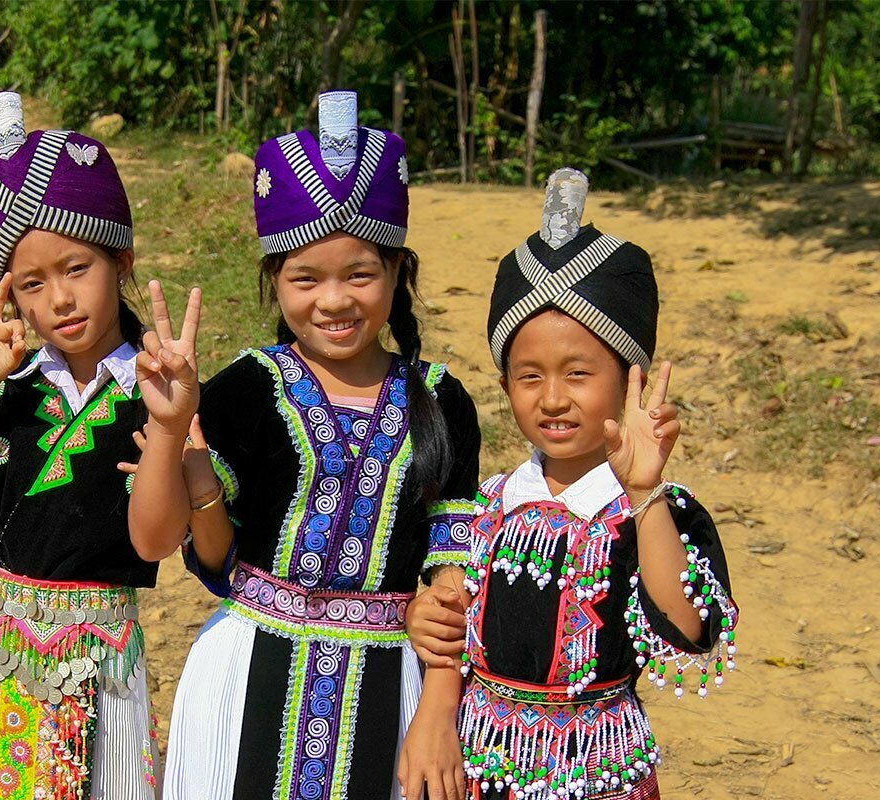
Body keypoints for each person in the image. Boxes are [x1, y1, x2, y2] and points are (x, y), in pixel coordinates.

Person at [152, 90, 483, 800]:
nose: (333, 301)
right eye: (305, 279)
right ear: (274, 283)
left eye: (361, 274)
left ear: (399, 273)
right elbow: (213, 561)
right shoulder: (244, 388)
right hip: (244, 678)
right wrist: (197, 476)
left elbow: (451, 571)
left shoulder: (443, 400)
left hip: (391, 689)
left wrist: (437, 708)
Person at [403, 168, 740, 800]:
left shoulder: (651, 511)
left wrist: (645, 492)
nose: (553, 399)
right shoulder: (488, 508)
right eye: (529, 376)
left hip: (601, 777)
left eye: (579, 372)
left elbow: (688, 629)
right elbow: (449, 622)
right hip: (482, 772)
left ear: (629, 379)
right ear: (505, 387)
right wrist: (426, 622)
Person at [0, 92, 192, 800]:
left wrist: (169, 430)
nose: (60, 301)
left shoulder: (156, 388)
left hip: (103, 663)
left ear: (122, 258)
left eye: (77, 268)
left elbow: (155, 542)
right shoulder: (6, 387)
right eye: (32, 285)